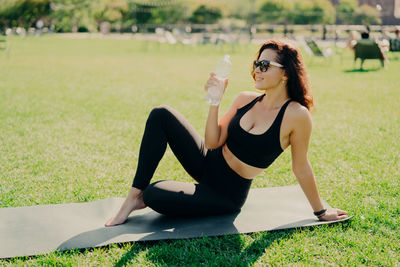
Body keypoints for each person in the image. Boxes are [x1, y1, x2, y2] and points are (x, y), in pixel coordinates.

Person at [105, 40, 348, 227]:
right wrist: (215, 101)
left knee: (155, 194)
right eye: (256, 64)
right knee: (161, 114)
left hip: (225, 194)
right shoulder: (245, 99)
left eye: (265, 65)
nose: (257, 70)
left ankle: (144, 197)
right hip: (208, 163)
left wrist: (320, 211)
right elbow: (212, 142)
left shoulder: (296, 115)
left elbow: (301, 167)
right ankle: (132, 198)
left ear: (285, 73)